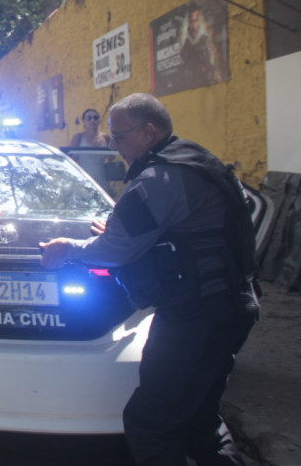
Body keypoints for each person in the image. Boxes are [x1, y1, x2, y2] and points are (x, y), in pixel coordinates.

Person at [40, 93, 258, 466]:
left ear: (148, 132)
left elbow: (116, 250)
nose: (114, 145)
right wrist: (119, 233)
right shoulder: (197, 161)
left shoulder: (159, 178)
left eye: (119, 137)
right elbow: (180, 231)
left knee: (152, 421)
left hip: (195, 314)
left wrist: (69, 248)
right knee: (200, 418)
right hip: (230, 305)